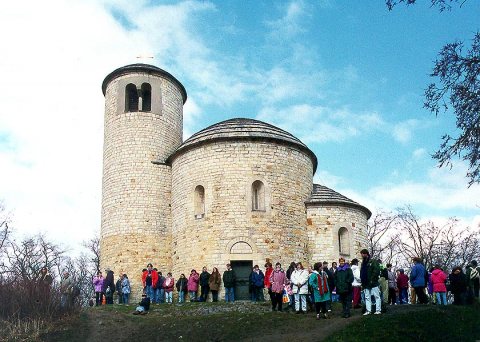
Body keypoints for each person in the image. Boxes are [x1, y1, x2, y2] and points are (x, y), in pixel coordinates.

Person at [360, 249, 381, 315]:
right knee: (367, 297)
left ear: (366, 254)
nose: (362, 255)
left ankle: (378, 310)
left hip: (373, 282)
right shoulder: (363, 262)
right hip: (365, 283)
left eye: (363, 254)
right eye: (361, 254)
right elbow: (362, 272)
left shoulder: (373, 261)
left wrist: (372, 279)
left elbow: (376, 270)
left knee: (376, 296)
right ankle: (368, 310)